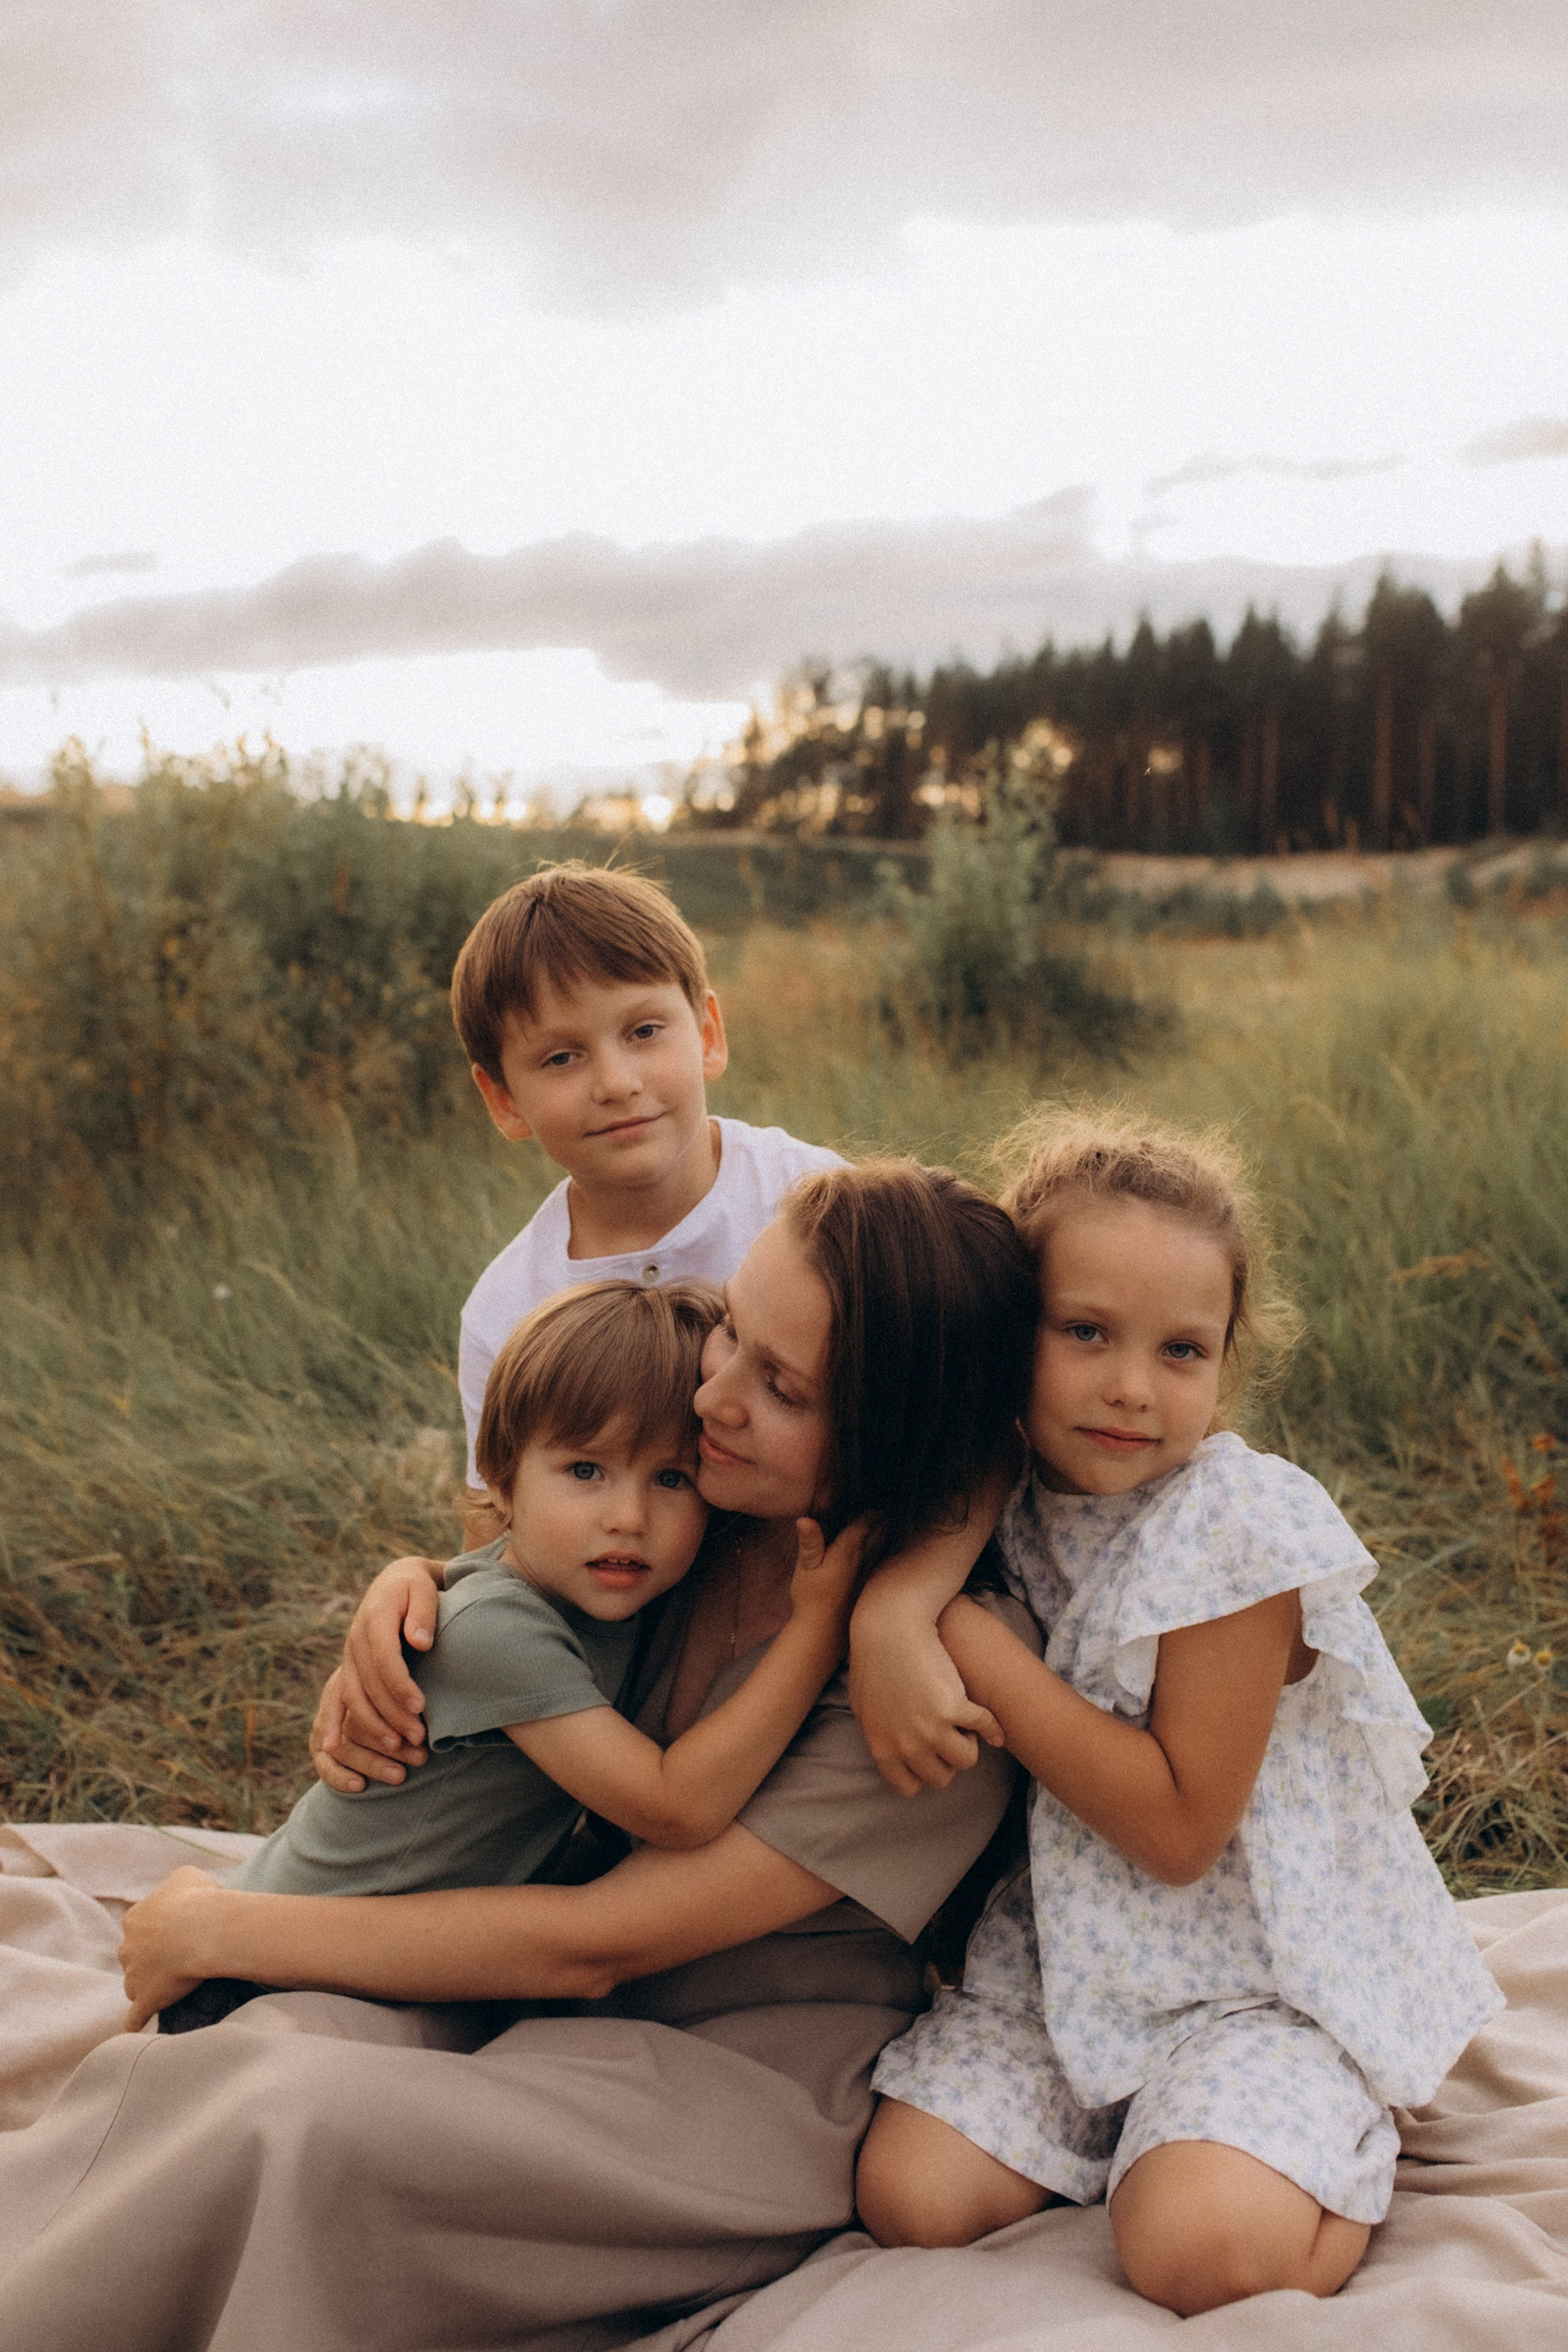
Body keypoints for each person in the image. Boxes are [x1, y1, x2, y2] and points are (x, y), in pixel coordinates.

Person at [0, 1161, 1039, 2352]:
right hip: (533, 1996)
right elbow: (524, 1565)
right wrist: (418, 1590)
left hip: (730, 2085)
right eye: (734, 1333)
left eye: (782, 1385)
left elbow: (602, 1944)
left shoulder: (935, 1692)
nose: (715, 1395)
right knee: (233, 2067)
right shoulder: (712, 1511)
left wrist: (223, 1926)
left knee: (302, 2125)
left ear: (890, 1436)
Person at [853, 1108, 1504, 2317]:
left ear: (1225, 1363)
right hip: (1060, 1964)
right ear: (1014, 1337)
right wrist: (900, 1612)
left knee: (1195, 2253)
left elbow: (1176, 1831)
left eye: (1180, 1352)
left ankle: (1304, 2137)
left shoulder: (1232, 1534)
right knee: (910, 2195)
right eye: (1084, 1332)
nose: (1126, 1389)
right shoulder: (990, 1485)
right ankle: (1150, 2139)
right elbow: (902, 1560)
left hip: (1250, 1970)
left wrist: (984, 1659)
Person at [187, 1280, 856, 1929]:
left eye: (672, 1478)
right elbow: (677, 1808)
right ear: (502, 1477)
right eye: (585, 1471)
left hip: (396, 1944)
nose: (629, 1518)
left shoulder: (602, 1590)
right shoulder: (497, 1634)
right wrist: (819, 1625)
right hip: (293, 1950)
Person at [449, 861, 842, 1543]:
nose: (615, 1082)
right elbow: (495, 1533)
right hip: (629, 1613)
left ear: (708, 1033)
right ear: (503, 1101)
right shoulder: (510, 1308)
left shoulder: (818, 1203)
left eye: (643, 1032)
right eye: (561, 1058)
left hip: (821, 1554)